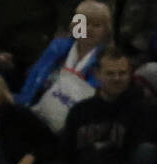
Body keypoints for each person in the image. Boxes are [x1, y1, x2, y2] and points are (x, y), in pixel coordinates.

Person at [40, 47, 153, 164]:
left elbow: (140, 159)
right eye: (110, 73)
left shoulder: (143, 109)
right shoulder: (80, 111)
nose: (117, 78)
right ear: (97, 74)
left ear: (130, 73)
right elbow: (65, 151)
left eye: (122, 73)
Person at [18, 0, 112, 133]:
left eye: (96, 25)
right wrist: (23, 104)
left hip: (72, 126)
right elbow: (34, 79)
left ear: (106, 31)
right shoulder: (57, 47)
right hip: (37, 110)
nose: (89, 29)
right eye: (84, 23)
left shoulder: (105, 60)